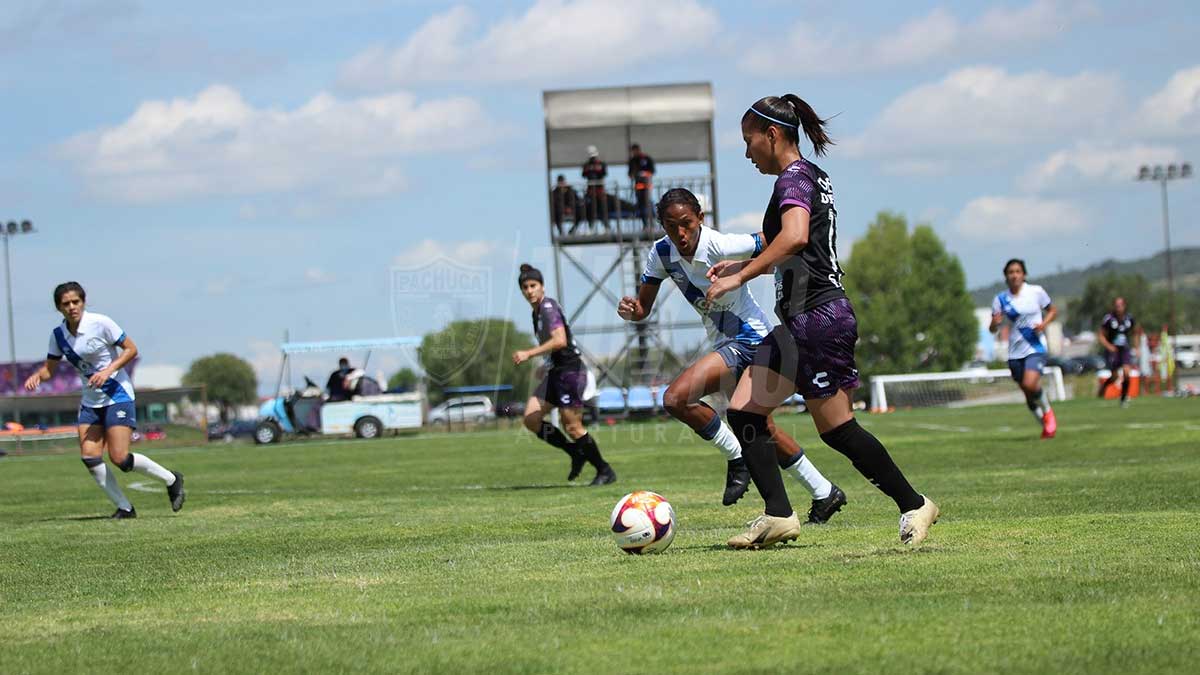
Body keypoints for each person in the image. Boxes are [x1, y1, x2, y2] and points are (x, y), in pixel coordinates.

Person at [706, 94, 939, 549]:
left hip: (817, 317)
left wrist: (741, 277)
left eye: (748, 140)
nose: (746, 151)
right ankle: (778, 516)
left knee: (837, 430)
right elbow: (797, 251)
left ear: (772, 135)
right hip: (802, 320)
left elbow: (792, 239)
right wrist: (743, 269)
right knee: (744, 411)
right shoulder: (812, 176)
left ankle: (914, 504)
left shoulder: (792, 178)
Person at [617, 188, 846, 523]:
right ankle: (825, 492)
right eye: (671, 226)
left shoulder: (719, 246)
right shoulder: (661, 254)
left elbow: (777, 239)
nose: (680, 233)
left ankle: (737, 458)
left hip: (750, 338)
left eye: (687, 224)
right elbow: (642, 309)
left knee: (677, 398)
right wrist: (632, 310)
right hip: (726, 342)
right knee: (761, 428)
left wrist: (743, 269)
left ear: (700, 219)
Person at [23, 282, 185, 518]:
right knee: (89, 455)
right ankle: (125, 507)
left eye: (75, 302)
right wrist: (38, 375)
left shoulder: (100, 323)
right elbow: (50, 369)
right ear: (59, 308)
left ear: (83, 301)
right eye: (65, 304)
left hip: (117, 395)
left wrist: (108, 371)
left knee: (119, 457)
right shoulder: (58, 335)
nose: (71, 307)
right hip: (90, 401)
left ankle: (172, 480)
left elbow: (131, 349)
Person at [513, 264, 616, 485]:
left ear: (542, 287)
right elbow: (553, 345)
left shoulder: (548, 307)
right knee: (531, 418)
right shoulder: (537, 312)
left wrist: (529, 354)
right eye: (525, 287)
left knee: (572, 426)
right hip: (555, 371)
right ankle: (574, 452)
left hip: (570, 372)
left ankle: (604, 470)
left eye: (533, 285)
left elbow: (560, 340)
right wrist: (546, 362)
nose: (529, 290)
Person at [989, 259, 1058, 438]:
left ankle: (1048, 413)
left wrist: (1043, 324)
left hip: (1035, 347)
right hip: (1014, 352)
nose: (1014, 275)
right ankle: (1045, 426)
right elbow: (992, 329)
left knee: (1029, 384)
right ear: (1006, 276)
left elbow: (1052, 310)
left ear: (1024, 274)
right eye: (1011, 272)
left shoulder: (1036, 292)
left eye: (1018, 271)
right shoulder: (1000, 299)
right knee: (1027, 393)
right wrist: (994, 324)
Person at [1097, 297, 1140, 406]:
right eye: (1116, 306)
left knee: (1126, 372)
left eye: (1120, 305)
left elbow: (1135, 333)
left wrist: (1136, 347)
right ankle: (1103, 390)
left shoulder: (1129, 318)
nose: (1118, 308)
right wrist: (1109, 346)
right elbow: (1101, 335)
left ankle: (1124, 397)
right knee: (1115, 376)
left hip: (1124, 349)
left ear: (1124, 306)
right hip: (1113, 350)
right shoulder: (1109, 319)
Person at [627, 144, 656, 228]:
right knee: (640, 206)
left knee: (648, 204)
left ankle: (652, 223)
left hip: (646, 186)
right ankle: (645, 225)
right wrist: (634, 174)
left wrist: (644, 174)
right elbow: (630, 174)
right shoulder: (632, 161)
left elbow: (652, 171)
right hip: (638, 186)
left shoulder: (646, 158)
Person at [582, 146, 608, 230]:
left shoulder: (601, 164)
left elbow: (604, 173)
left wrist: (596, 169)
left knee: (602, 208)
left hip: (599, 190)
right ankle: (591, 226)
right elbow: (584, 174)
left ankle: (606, 226)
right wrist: (590, 169)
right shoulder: (586, 165)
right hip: (590, 191)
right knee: (590, 208)